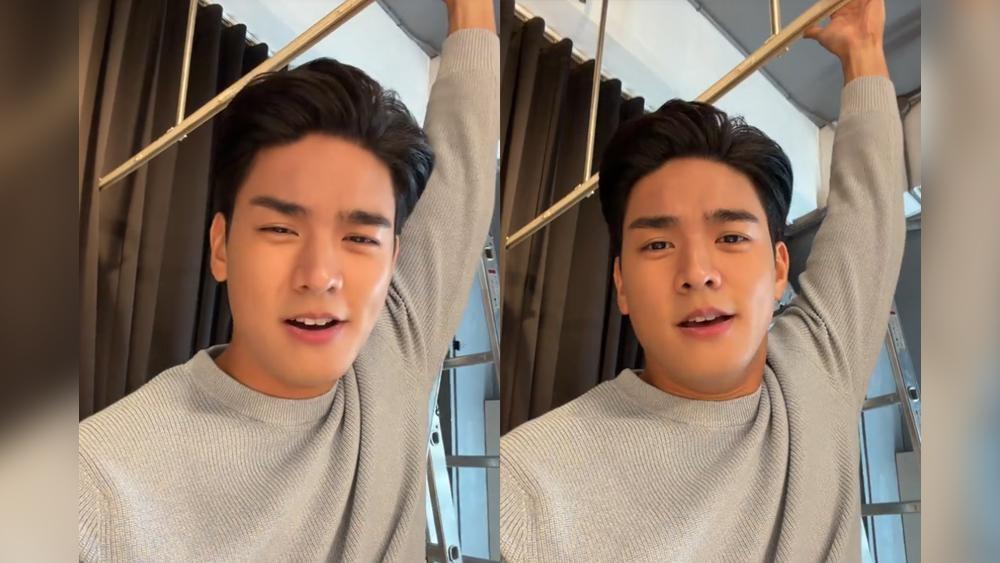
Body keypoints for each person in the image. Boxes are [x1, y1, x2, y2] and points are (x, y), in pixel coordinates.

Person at [78, 1, 498, 560]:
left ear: (394, 258)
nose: (319, 276)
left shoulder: (394, 352)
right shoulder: (100, 489)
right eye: (280, 228)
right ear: (222, 246)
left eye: (359, 238)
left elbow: (464, 163)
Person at [499, 0, 905, 560]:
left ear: (779, 268)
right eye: (658, 245)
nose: (696, 273)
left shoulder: (813, 376)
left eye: (731, 237)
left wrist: (864, 53)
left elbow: (870, 219)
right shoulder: (527, 484)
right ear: (621, 284)